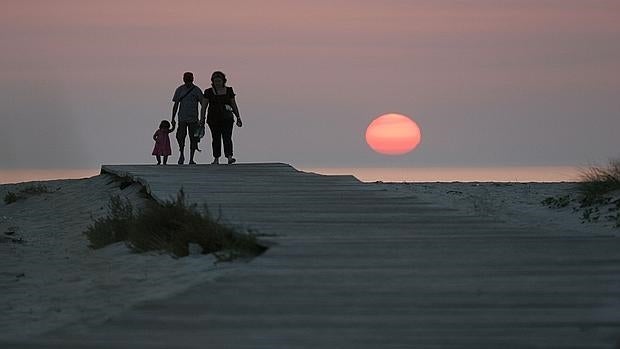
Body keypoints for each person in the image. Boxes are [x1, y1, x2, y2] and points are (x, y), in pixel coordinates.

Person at [203, 71, 243, 164]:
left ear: (223, 81)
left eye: (219, 81)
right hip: (213, 118)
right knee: (215, 138)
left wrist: (238, 117)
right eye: (215, 81)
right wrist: (202, 119)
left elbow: (233, 104)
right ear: (212, 81)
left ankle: (229, 156)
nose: (217, 83)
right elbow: (204, 106)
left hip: (227, 118)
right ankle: (216, 158)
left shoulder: (229, 90)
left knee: (227, 137)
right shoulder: (208, 92)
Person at [171, 72, 206, 165]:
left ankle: (191, 158)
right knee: (180, 137)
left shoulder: (196, 90)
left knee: (193, 139)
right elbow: (176, 105)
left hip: (193, 119)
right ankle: (182, 154)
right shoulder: (180, 89)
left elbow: (203, 104)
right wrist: (173, 118)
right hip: (182, 118)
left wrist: (203, 118)